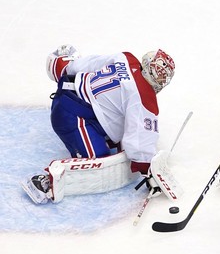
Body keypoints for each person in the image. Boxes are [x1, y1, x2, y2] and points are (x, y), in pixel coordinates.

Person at [22, 45, 176, 204]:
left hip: (68, 94)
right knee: (99, 161)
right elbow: (139, 143)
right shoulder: (144, 96)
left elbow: (90, 64)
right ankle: (46, 182)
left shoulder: (126, 58)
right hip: (74, 117)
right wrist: (149, 171)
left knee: (119, 130)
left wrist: (67, 67)